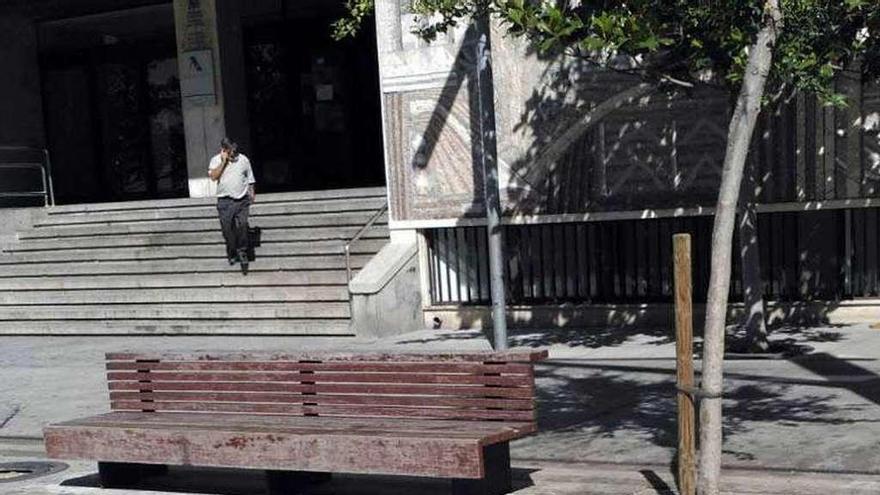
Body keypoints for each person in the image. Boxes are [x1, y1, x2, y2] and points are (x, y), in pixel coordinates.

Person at [209, 138, 256, 275]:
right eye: (230, 151)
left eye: (234, 150)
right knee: (227, 229)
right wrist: (224, 162)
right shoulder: (216, 160)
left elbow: (250, 178)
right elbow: (213, 177)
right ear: (224, 150)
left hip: (242, 199)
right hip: (225, 201)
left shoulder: (243, 159)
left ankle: (242, 251)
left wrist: (252, 192)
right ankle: (232, 249)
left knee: (242, 224)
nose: (233, 154)